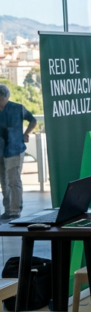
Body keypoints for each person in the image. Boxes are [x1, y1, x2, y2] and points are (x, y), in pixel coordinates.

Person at [0, 85, 37, 219]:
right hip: (1, 151)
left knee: (13, 181)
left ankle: (15, 211)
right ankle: (8, 210)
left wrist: (26, 133)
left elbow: (33, 120)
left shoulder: (18, 108)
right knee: (4, 183)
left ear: (5, 97)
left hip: (15, 149)